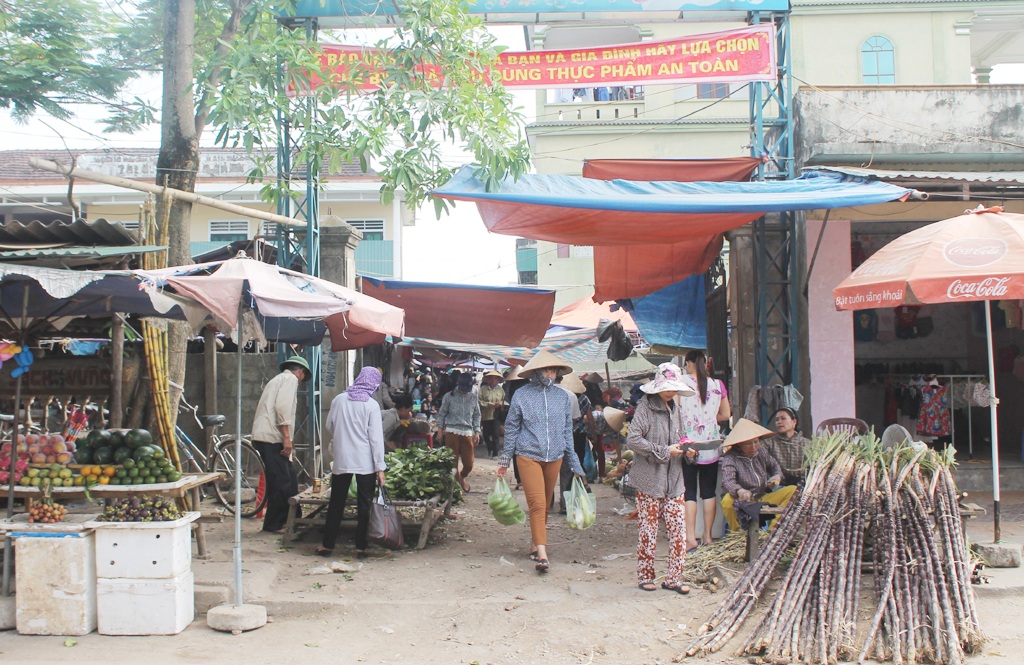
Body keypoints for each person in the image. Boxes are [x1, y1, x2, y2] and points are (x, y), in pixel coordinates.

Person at [497, 350, 585, 573]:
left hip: (554, 456)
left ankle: (536, 542)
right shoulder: (522, 395)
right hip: (528, 455)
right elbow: (512, 429)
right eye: (547, 369)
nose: (551, 373)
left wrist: (574, 463)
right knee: (537, 504)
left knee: (545, 503)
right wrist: (505, 460)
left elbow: (567, 432)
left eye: (554, 370)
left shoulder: (564, 397)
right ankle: (543, 555)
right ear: (535, 372)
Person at [626, 362, 696, 594]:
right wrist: (665, 451)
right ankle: (646, 575)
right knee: (649, 529)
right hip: (649, 481)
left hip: (674, 481)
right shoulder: (645, 409)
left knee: (678, 529)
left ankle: (674, 578)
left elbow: (683, 438)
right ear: (657, 387)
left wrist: (689, 450)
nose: (670, 391)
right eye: (667, 387)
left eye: (674, 388)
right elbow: (633, 440)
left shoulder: (676, 410)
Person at [316, 367, 387, 559]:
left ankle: (327, 546)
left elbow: (330, 425)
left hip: (342, 459)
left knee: (336, 503)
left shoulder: (338, 400)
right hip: (365, 463)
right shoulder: (371, 405)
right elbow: (376, 439)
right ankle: (361, 548)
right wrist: (380, 468)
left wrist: (343, 437)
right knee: (364, 505)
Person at [679, 349, 731, 552]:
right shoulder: (718, 385)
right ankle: (708, 537)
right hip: (711, 444)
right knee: (709, 492)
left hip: (688, 445)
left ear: (690, 363)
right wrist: (708, 420)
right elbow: (726, 414)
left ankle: (691, 538)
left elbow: (676, 414)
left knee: (689, 493)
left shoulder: (680, 383)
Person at [251, 356, 310, 534]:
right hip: (272, 437)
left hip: (267, 436)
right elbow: (282, 408)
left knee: (288, 479)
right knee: (282, 481)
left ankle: (292, 519)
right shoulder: (289, 379)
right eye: (302, 376)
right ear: (299, 372)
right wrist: (287, 437)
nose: (300, 380)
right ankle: (275, 524)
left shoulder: (277, 379)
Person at [719, 418, 798, 533]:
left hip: (761, 497)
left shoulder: (761, 452)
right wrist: (740, 491)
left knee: (793, 490)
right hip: (741, 500)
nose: (753, 446)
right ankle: (739, 534)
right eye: (748, 443)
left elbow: (775, 467)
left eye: (756, 442)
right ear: (739, 445)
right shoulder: (730, 458)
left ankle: (773, 531)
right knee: (726, 501)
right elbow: (728, 481)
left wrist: (776, 477)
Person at [437, 372, 481, 491]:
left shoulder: (473, 398)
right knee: (453, 463)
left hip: (467, 432)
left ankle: (461, 478)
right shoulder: (448, 396)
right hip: (451, 431)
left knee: (469, 464)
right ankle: (456, 486)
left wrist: (477, 431)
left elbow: (477, 415)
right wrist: (440, 430)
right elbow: (442, 414)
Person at [762, 407, 812, 486]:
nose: (779, 422)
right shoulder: (768, 443)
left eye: (783, 418)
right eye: (777, 420)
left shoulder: (807, 444)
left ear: (794, 422)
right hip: (776, 486)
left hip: (803, 486)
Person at [478, 370, 505, 457]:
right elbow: (479, 401)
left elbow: (504, 400)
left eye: (495, 379)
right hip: (486, 415)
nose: (493, 380)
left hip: (496, 416)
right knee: (485, 434)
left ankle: (495, 453)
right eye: (491, 378)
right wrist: (489, 405)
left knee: (496, 435)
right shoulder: (483, 389)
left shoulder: (500, 390)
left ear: (498, 380)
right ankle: (490, 447)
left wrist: (500, 404)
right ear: (488, 379)